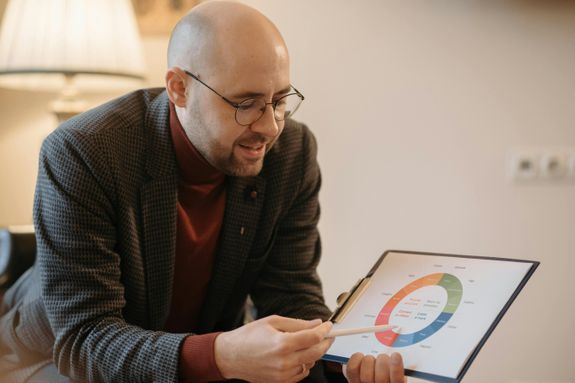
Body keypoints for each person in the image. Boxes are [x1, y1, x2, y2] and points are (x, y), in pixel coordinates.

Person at [0, 1, 407, 383]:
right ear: (179, 88)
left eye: (280, 100)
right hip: (48, 357)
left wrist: (343, 364)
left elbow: (290, 294)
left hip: (198, 356)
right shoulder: (85, 151)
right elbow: (85, 338)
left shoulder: (293, 153)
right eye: (246, 103)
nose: (270, 127)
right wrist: (222, 354)